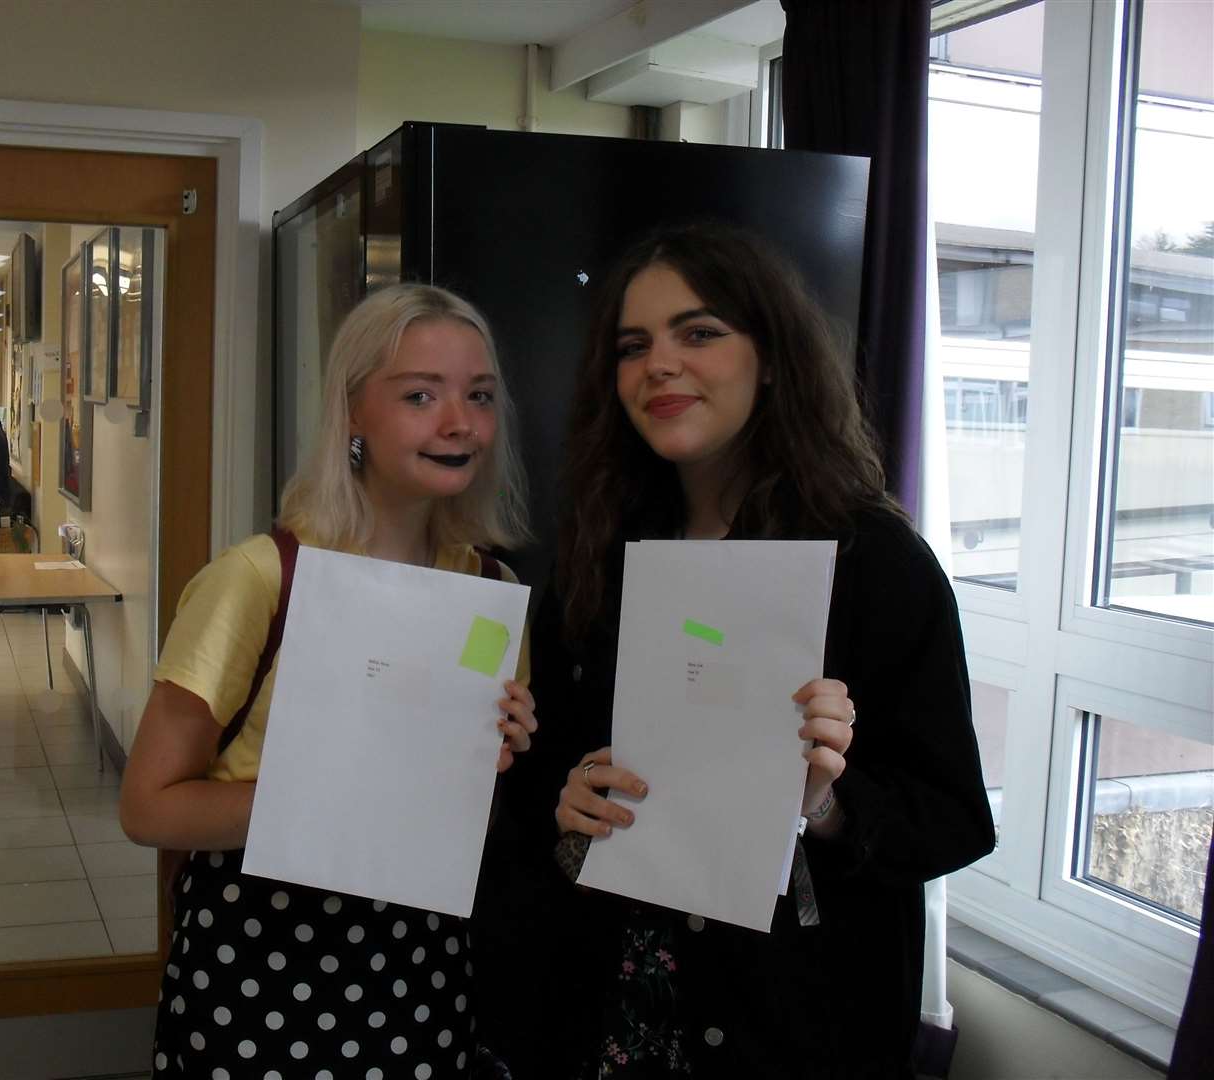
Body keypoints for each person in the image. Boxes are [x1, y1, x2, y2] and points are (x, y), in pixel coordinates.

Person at [491, 222, 995, 1079]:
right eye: (633, 345)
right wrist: (563, 795)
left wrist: (827, 802)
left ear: (772, 355)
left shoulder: (876, 566)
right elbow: (547, 776)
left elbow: (952, 821)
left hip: (791, 1027)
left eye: (700, 332)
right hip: (609, 1009)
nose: (660, 364)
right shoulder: (601, 554)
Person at [121, 283, 539, 1077]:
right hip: (260, 958)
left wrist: (488, 763)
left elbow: (467, 830)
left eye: (479, 397)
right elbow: (147, 808)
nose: (459, 423)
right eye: (420, 395)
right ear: (352, 415)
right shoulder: (261, 578)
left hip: (420, 961)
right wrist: (344, 791)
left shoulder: (487, 590)